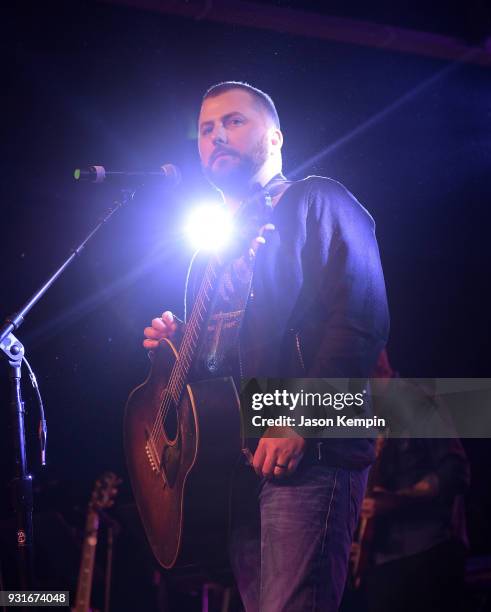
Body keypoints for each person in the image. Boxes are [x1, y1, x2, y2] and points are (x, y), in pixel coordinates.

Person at [143, 81, 389, 611]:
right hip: (239, 464)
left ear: (275, 137)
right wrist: (176, 351)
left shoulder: (318, 199)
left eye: (234, 122)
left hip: (310, 452)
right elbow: (224, 366)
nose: (216, 136)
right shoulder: (211, 250)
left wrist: (301, 420)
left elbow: (362, 320)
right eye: (206, 129)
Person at [350, 350, 470, 612]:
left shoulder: (418, 399)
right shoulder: (360, 413)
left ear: (380, 354)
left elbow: (456, 472)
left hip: (427, 554)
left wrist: (397, 501)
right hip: (379, 564)